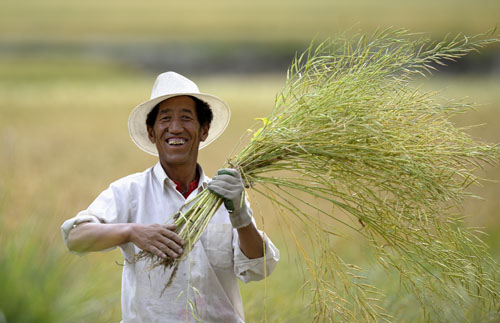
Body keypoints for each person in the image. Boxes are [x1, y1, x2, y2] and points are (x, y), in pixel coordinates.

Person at [61, 71, 280, 322]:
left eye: (186, 118)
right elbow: (75, 237)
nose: (175, 128)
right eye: (165, 119)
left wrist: (241, 215)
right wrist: (132, 232)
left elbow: (259, 268)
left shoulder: (225, 196)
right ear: (152, 132)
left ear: (204, 130)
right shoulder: (130, 192)